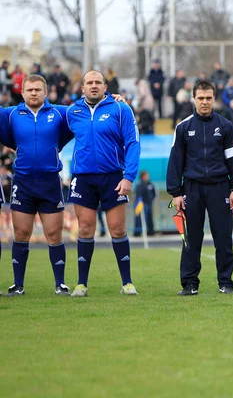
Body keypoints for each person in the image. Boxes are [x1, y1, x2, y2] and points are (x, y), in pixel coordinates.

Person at [66, 70, 140, 297]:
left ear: (106, 87)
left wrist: (129, 176)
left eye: (98, 82)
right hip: (83, 178)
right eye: (89, 82)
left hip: (113, 177)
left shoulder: (121, 108)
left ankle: (127, 282)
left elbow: (133, 142)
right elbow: (43, 125)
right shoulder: (71, 112)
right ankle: (81, 284)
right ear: (83, 88)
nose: (94, 86)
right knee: (86, 228)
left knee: (117, 229)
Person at [167, 80, 233, 295]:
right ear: (193, 99)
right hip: (191, 189)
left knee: (223, 237)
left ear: (214, 99)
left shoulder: (226, 126)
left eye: (208, 98)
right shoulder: (183, 127)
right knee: (191, 239)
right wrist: (176, 193)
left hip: (220, 188)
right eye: (200, 98)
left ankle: (226, 282)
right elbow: (175, 162)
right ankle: (190, 284)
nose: (204, 102)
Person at [0, 75, 74, 296]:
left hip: (50, 181)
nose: (33, 93)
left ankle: (60, 284)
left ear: (46, 92)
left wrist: (113, 99)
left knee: (54, 234)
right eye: (29, 89)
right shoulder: (10, 114)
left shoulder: (59, 113)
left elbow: (84, 110)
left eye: (38, 89)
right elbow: (8, 138)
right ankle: (18, 285)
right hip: (22, 181)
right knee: (21, 233)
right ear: (22, 93)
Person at [134, 170, 156, 237]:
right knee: (140, 219)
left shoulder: (150, 184)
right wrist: (140, 202)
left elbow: (154, 193)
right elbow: (138, 195)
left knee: (149, 218)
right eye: (146, 176)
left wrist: (151, 200)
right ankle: (137, 233)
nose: (148, 177)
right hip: (142, 205)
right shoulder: (139, 184)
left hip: (149, 205)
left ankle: (151, 232)